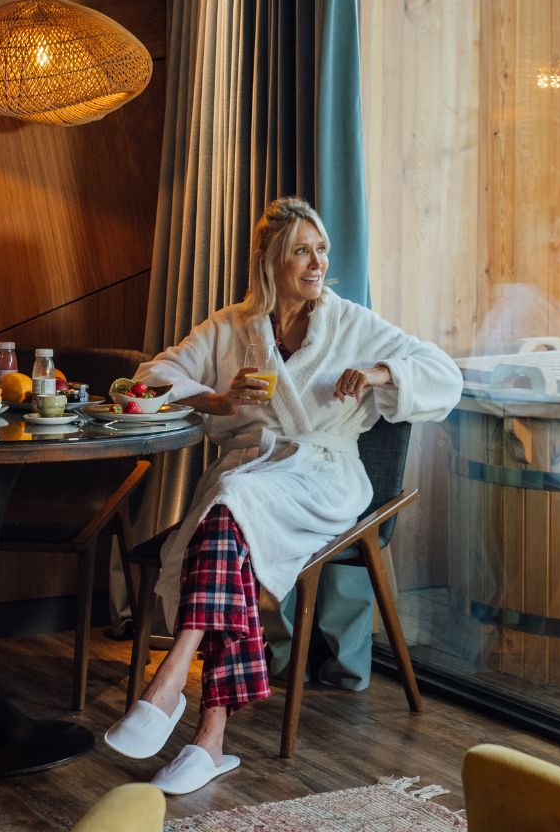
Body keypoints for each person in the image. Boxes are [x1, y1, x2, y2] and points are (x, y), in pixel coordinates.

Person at [102, 196, 463, 794]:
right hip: (250, 470)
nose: (316, 262)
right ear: (270, 260)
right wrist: (219, 400)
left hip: (323, 478)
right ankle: (208, 738)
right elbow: (151, 376)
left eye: (321, 250)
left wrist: (381, 373)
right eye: (301, 251)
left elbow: (443, 372)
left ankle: (168, 682)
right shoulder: (232, 326)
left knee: (227, 512)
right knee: (229, 525)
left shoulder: (351, 323)